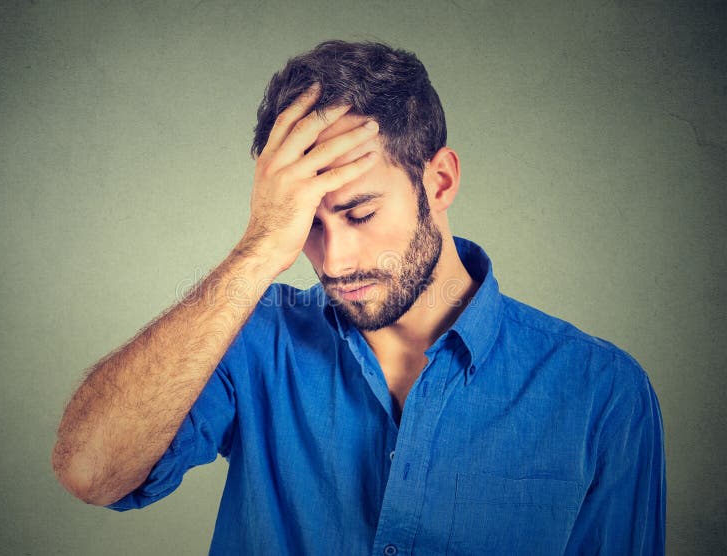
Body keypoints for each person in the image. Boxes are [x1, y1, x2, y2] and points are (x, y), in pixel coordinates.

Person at [52, 41, 666, 555]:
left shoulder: (602, 392)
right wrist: (260, 247)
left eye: (360, 211)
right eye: (305, 226)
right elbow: (89, 471)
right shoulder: (253, 337)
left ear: (440, 180)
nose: (335, 260)